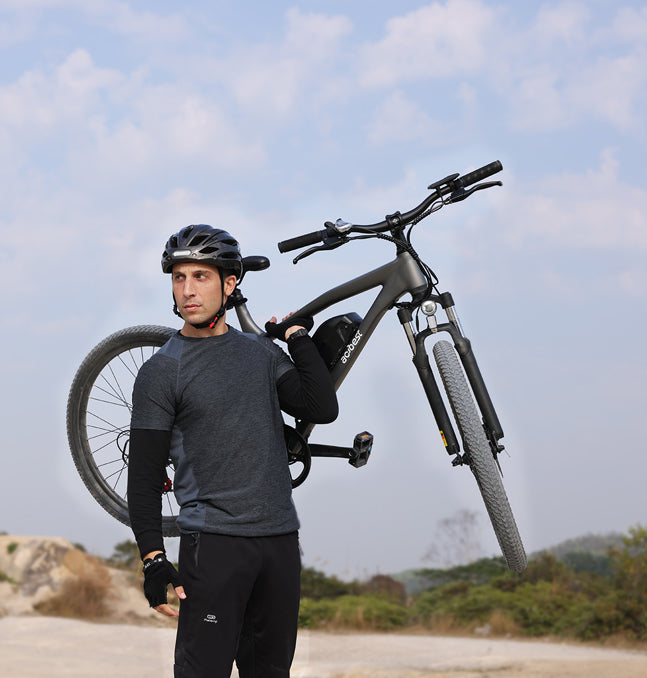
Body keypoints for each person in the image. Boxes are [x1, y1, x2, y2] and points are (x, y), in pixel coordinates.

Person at [127, 224, 338, 677]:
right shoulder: (162, 371)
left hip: (280, 543)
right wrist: (153, 559)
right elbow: (143, 478)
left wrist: (297, 337)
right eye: (179, 278)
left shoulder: (260, 353)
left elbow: (321, 405)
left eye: (200, 277)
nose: (187, 290)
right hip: (214, 546)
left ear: (229, 284)